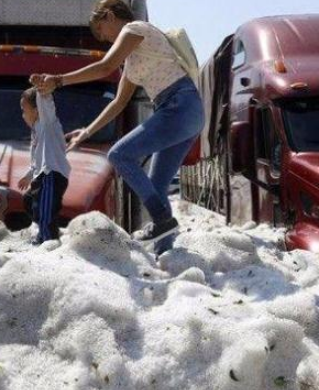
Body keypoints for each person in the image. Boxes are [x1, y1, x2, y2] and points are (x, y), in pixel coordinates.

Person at [30, 0, 203, 254]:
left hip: (179, 106)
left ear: (110, 16)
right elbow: (118, 103)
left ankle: (163, 221)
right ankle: (165, 251)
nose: (105, 40)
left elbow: (105, 67)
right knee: (156, 185)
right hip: (186, 111)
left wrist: (59, 80)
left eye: (102, 31)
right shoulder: (133, 62)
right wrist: (87, 131)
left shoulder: (135, 28)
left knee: (119, 155)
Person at [18, 87, 71, 245]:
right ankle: (49, 230)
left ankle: (47, 238)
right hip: (41, 175)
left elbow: (46, 104)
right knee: (29, 200)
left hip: (52, 175)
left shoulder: (47, 123)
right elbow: (36, 160)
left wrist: (42, 90)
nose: (22, 114)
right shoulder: (35, 131)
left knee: (45, 209)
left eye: (24, 110)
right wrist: (28, 176)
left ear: (36, 110)